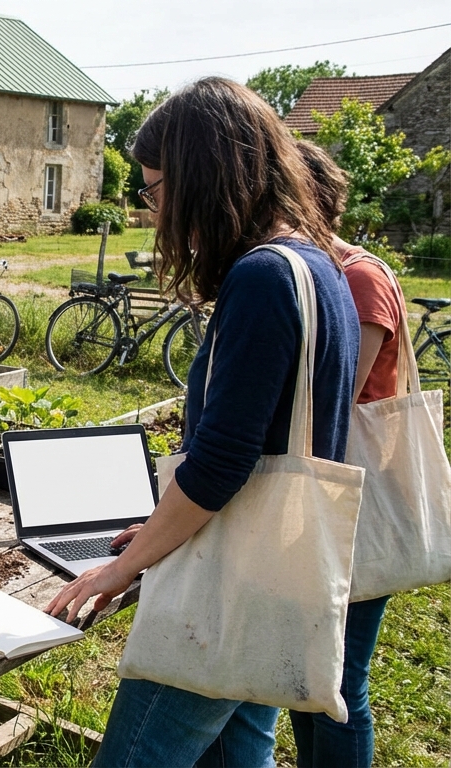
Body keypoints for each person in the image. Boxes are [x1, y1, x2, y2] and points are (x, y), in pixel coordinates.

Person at [45, 77, 360, 767]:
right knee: (241, 752)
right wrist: (159, 530)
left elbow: (222, 462)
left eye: (156, 191)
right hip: (277, 574)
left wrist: (122, 567)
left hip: (227, 591)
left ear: (202, 180)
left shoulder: (261, 278)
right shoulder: (318, 266)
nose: (153, 212)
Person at [290, 139, 399, 768]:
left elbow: (332, 398)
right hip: (324, 495)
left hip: (354, 501)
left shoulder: (356, 276)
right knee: (311, 673)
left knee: (337, 681)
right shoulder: (323, 271)